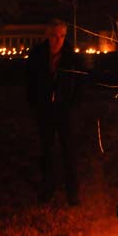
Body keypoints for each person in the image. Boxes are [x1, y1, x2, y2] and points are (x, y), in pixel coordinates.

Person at [26, 18, 86, 206]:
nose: (58, 40)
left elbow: (81, 82)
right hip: (44, 110)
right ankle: (47, 187)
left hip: (65, 110)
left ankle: (72, 191)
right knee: (47, 150)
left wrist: (73, 104)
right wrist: (35, 103)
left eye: (62, 36)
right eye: (54, 36)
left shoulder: (71, 56)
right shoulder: (37, 55)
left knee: (69, 150)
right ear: (47, 36)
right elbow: (29, 81)